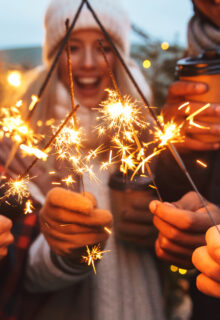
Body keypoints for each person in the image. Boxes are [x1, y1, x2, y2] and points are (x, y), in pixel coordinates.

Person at [0, 0, 166, 319]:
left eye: (102, 47)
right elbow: (17, 270)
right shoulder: (24, 150)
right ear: (53, 59)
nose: (88, 63)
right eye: (72, 48)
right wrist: (65, 251)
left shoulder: (147, 138)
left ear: (118, 58)